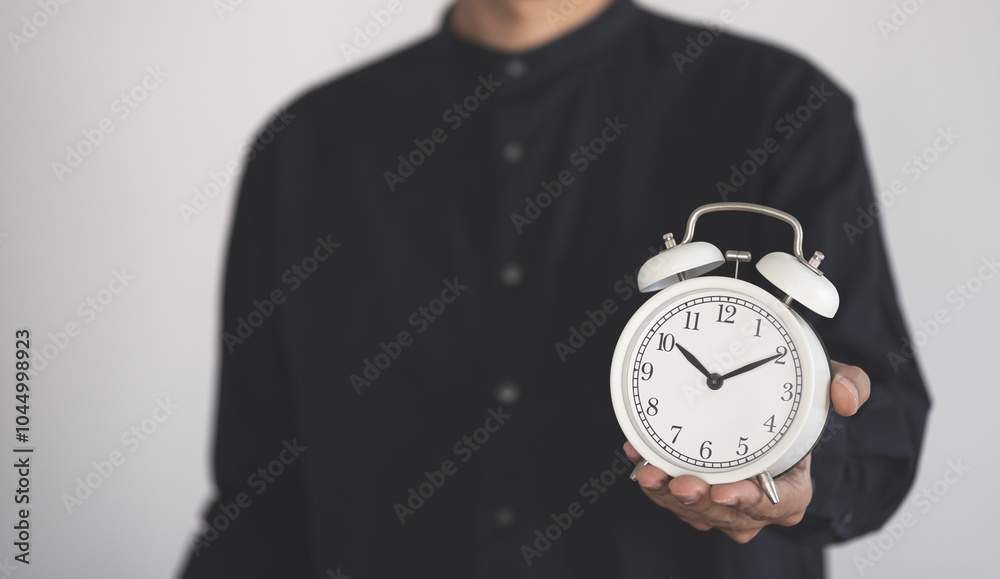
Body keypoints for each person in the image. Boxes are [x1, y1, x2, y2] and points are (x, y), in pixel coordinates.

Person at [179, 0, 930, 577]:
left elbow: (880, 427)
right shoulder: (307, 147)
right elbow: (262, 503)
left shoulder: (779, 107)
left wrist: (802, 464)